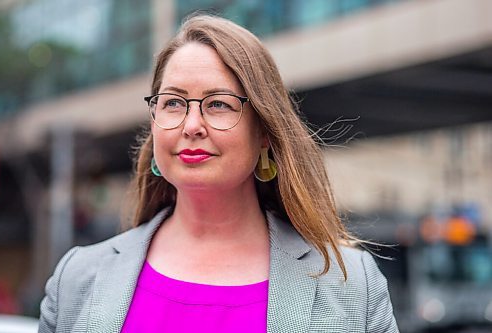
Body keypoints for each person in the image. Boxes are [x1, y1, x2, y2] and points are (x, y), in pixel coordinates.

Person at [38, 14, 399, 333]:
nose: (191, 125)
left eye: (219, 104)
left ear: (264, 134)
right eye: (174, 103)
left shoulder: (352, 285)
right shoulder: (77, 278)